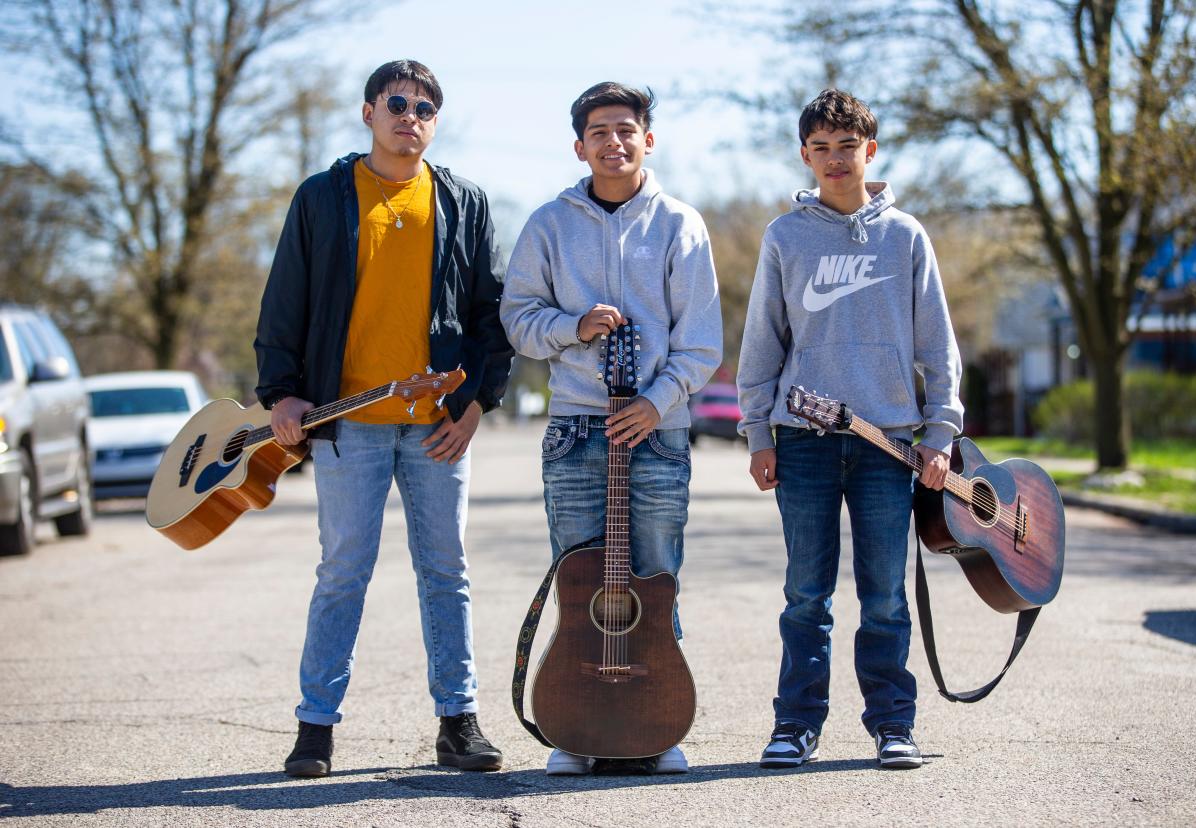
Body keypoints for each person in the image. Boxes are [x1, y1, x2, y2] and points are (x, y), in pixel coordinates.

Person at [255, 59, 513, 777]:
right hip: (349, 421)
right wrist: (281, 392)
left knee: (447, 571)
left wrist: (474, 406)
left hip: (436, 425)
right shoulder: (322, 198)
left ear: (436, 121)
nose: (411, 116)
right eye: (397, 103)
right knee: (343, 571)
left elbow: (490, 316)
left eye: (425, 107)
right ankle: (315, 729)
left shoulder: (464, 201)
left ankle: (458, 723)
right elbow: (285, 304)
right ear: (368, 112)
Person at [736, 88, 963, 771]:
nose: (835, 160)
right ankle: (796, 726)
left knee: (886, 594)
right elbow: (761, 345)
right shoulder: (785, 236)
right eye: (821, 148)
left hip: (887, 446)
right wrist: (758, 434)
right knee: (806, 592)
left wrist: (941, 431)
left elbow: (938, 345)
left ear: (871, 150)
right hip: (801, 441)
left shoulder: (905, 236)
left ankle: (893, 724)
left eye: (847, 146)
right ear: (805, 156)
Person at [501, 82, 723, 776]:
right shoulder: (547, 225)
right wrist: (572, 327)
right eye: (599, 131)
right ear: (580, 145)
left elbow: (702, 342)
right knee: (580, 581)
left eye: (626, 129)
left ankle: (657, 728)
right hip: (574, 428)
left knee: (655, 581)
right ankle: (576, 730)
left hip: (656, 432)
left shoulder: (680, 225)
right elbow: (517, 321)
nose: (614, 142)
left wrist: (657, 400)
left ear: (647, 140)